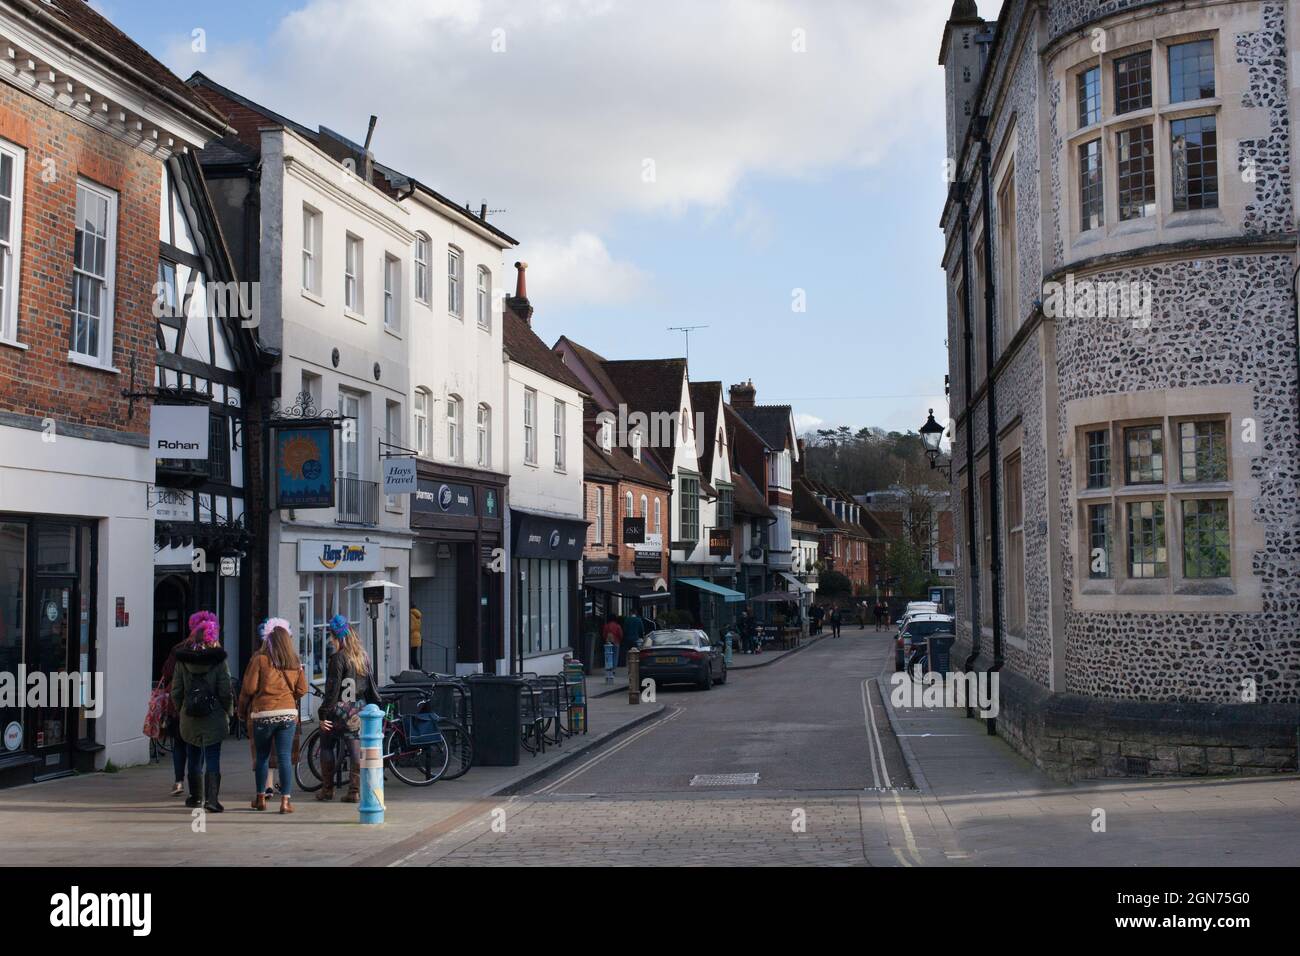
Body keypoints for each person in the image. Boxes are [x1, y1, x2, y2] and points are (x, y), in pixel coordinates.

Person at [241, 618, 308, 813]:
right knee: (284, 757)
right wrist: (288, 697)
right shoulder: (294, 661)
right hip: (287, 715)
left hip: (263, 713)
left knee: (262, 756)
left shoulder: (259, 659)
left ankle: (260, 798)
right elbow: (302, 689)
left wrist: (242, 709)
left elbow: (250, 687)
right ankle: (285, 802)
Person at [169, 610, 233, 812]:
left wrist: (182, 710)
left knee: (193, 755)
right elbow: (225, 690)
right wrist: (228, 711)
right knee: (212, 756)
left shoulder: (182, 661)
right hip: (213, 716)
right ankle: (212, 800)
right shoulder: (219, 661)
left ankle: (195, 797)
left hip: (189, 716)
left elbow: (176, 690)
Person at [317, 614, 381, 802]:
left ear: (338, 637)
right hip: (358, 707)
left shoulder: (338, 658)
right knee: (355, 749)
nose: (330, 640)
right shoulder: (362, 656)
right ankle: (354, 791)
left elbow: (333, 690)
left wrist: (323, 714)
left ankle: (327, 790)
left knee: (327, 744)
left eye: (332, 637)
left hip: (341, 708)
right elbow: (369, 684)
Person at [158, 629, 193, 796]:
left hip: (178, 705)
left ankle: (179, 781)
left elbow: (166, 672)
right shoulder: (213, 650)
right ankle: (196, 783)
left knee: (179, 744)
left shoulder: (179, 648)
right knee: (197, 746)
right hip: (200, 706)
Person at [409, 605, 423, 671]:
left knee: (412, 657)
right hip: (417, 636)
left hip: (412, 637)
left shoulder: (411, 615)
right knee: (413, 655)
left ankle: (418, 670)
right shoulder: (417, 615)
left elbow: (411, 627)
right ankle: (417, 669)